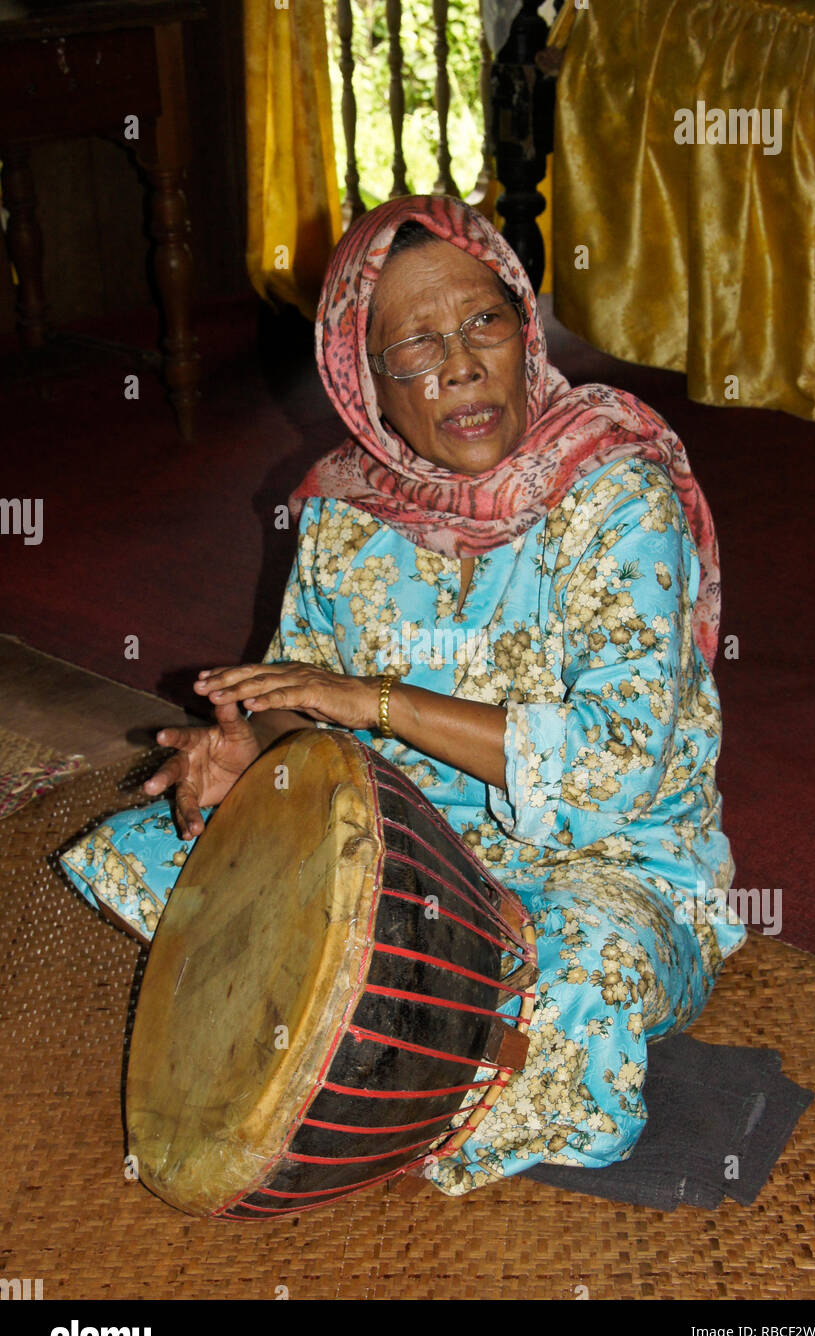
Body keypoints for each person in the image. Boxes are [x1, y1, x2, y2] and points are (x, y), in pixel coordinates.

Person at [60, 193, 746, 1196]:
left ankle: (382, 1027)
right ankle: (406, 1022)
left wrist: (370, 700)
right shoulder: (346, 513)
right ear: (365, 384)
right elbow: (303, 700)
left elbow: (609, 770)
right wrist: (258, 758)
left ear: (527, 328)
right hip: (404, 847)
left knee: (582, 988)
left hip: (602, 864)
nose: (460, 365)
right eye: (412, 347)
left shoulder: (614, 490)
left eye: (483, 322)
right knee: (153, 845)